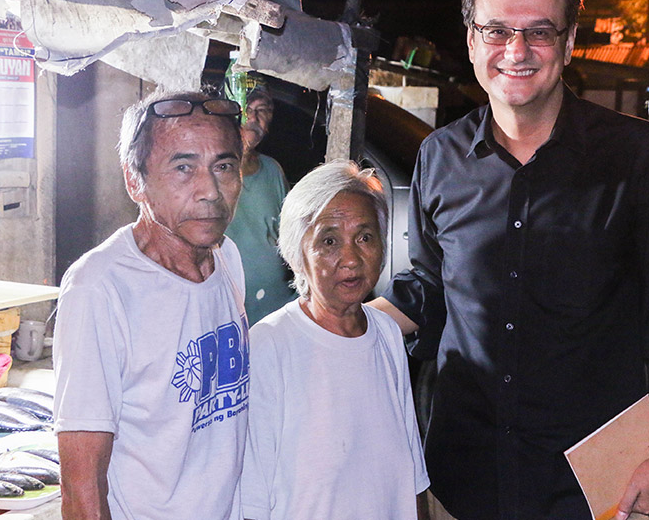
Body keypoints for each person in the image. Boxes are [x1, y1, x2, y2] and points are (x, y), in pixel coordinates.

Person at [369, 0, 649, 519]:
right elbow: (429, 286)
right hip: (462, 474)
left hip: (595, 483)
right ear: (473, 40)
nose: (516, 51)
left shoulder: (636, 155)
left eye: (539, 32)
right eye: (496, 30)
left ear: (570, 40)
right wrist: (330, 325)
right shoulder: (439, 156)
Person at [53, 90, 250, 519]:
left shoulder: (227, 257)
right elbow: (80, 485)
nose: (210, 191)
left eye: (224, 166)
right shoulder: (100, 289)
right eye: (183, 168)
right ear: (134, 180)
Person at [240, 160, 430, 520]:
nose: (351, 258)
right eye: (329, 241)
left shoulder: (386, 334)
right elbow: (252, 499)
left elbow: (411, 476)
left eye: (365, 237)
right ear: (297, 255)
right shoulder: (269, 347)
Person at [226, 87, 296, 324]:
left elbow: (289, 235)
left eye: (262, 111)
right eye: (247, 110)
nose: (254, 119)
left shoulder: (272, 170)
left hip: (276, 309)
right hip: (232, 313)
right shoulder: (213, 173)